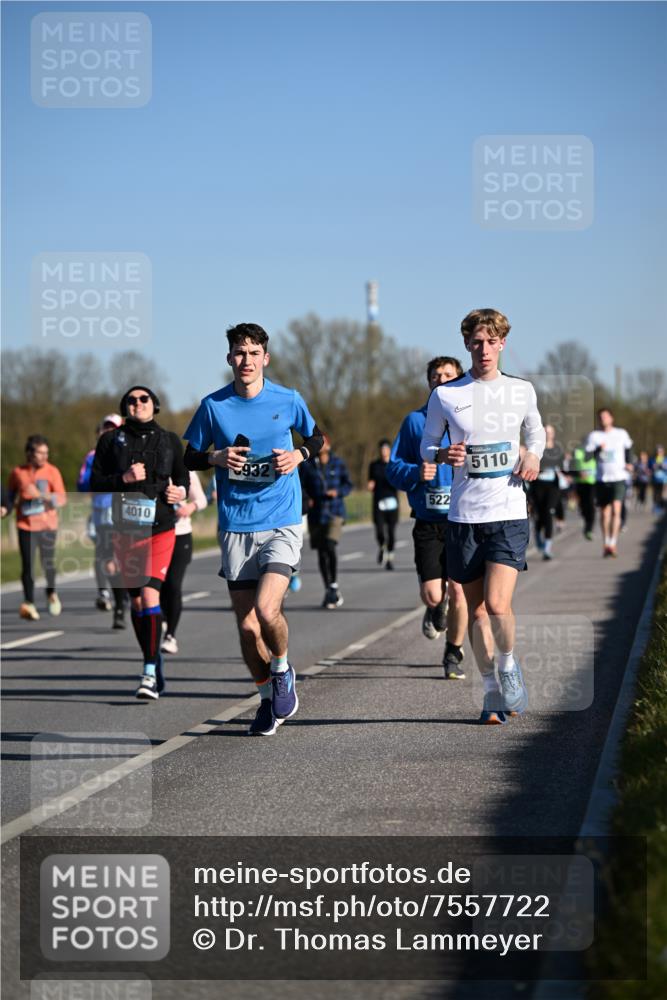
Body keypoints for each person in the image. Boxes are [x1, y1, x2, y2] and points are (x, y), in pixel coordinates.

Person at [183, 323, 323, 736]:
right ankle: (265, 699)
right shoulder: (213, 406)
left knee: (266, 610)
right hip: (236, 525)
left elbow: (317, 438)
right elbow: (189, 456)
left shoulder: (288, 399)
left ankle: (281, 669)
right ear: (229, 358)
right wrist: (216, 458)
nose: (246, 360)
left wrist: (299, 454)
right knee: (246, 627)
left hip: (281, 519)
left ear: (266, 358)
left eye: (254, 352)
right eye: (239, 353)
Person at [421, 309, 545, 724]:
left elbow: (536, 432)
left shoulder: (521, 390)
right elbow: (427, 446)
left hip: (508, 510)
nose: (484, 349)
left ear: (502, 343)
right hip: (464, 516)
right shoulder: (446, 395)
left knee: (496, 603)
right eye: (477, 342)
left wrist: (533, 455)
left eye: (492, 341)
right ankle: (491, 689)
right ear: (466, 344)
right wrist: (443, 453)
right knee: (475, 612)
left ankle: (507, 664)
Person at [91, 386, 189, 699]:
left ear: (154, 405)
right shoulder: (110, 441)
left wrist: (180, 492)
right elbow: (95, 483)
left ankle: (147, 672)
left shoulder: (169, 440)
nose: (138, 403)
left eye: (143, 399)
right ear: (125, 407)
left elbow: (183, 479)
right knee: (136, 603)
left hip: (161, 528)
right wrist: (124, 479)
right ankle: (153, 658)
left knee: (149, 596)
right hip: (126, 530)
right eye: (131, 400)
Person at [387, 355, 469, 679]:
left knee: (459, 591)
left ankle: (453, 652)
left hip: (463, 519)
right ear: (429, 382)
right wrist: (416, 473)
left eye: (448, 375)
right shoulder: (414, 422)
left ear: (459, 380)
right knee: (434, 594)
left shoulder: (470, 420)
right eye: (436, 375)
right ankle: (435, 606)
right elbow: (394, 468)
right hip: (428, 520)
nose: (441, 379)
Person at [7, 435, 66, 621]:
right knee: (28, 565)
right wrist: (5, 508)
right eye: (40, 453)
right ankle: (29, 603)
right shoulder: (18, 473)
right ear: (29, 454)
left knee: (48, 563)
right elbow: (9, 497)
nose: (44, 457)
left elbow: (62, 498)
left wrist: (41, 495)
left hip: (47, 525)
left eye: (46, 453)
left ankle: (51, 592)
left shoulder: (52, 471)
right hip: (25, 525)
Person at [77, 414, 128, 627]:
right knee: (105, 557)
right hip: (101, 511)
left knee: (122, 559)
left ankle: (123, 598)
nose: (108, 431)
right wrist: (101, 479)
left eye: (113, 428)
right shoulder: (92, 456)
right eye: (106, 427)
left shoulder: (126, 452)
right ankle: (112, 600)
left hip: (123, 511)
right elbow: (82, 484)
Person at [300, 436, 353, 609]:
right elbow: (300, 485)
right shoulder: (307, 466)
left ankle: (334, 584)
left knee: (330, 545)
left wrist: (338, 492)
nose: (321, 447)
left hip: (334, 512)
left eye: (324, 443)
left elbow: (348, 484)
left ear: (328, 446)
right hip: (316, 514)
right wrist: (307, 499)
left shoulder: (338, 463)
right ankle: (328, 589)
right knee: (321, 552)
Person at [160, 470, 208, 654]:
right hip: (155, 535)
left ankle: (170, 636)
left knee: (173, 584)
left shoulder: (186, 472)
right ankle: (163, 617)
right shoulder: (150, 469)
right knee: (158, 585)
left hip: (180, 535)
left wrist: (190, 507)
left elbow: (202, 500)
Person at [585, 408, 633, 557]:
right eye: (600, 417)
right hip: (602, 479)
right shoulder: (594, 436)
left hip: (619, 477)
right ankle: (606, 542)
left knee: (617, 510)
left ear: (611, 418)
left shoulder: (621, 433)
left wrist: (629, 462)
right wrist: (598, 449)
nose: (603, 419)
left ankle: (613, 543)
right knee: (605, 513)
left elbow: (628, 449)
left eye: (606, 417)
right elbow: (587, 457)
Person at [529, 424, 561, 561]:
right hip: (537, 486)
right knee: (539, 516)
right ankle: (537, 537)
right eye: (546, 432)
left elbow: (563, 465)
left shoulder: (557, 449)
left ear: (553, 434)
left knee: (548, 513)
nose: (548, 434)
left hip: (552, 487)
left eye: (550, 432)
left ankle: (547, 548)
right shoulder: (536, 448)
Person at [367, 439, 400, 569]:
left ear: (389, 450)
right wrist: (370, 484)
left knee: (391, 533)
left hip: (392, 502)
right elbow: (370, 480)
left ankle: (390, 558)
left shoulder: (394, 464)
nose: (383, 451)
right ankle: (382, 546)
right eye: (381, 449)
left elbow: (400, 482)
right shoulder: (374, 465)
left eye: (385, 449)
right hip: (378, 502)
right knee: (380, 531)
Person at [568, 442, 597, 539]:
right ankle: (587, 522)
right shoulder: (577, 452)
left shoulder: (596, 452)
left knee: (591, 506)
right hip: (580, 484)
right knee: (583, 507)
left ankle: (589, 529)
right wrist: (578, 473)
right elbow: (570, 469)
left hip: (592, 484)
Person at [649, 445, 667, 513]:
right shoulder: (653, 459)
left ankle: (661, 506)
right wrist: (654, 466)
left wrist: (664, 466)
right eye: (658, 451)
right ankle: (656, 506)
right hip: (655, 479)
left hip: (664, 480)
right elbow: (650, 468)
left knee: (662, 494)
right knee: (655, 493)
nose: (659, 453)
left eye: (661, 451)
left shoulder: (665, 459)